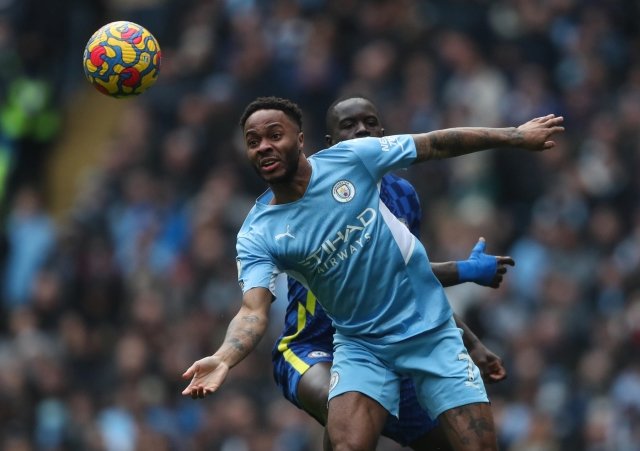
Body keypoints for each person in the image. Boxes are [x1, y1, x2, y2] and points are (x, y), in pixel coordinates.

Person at [182, 96, 564, 451]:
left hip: (430, 335)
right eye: (253, 142)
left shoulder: (362, 166)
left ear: (300, 140)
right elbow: (252, 311)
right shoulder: (258, 234)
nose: (263, 147)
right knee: (346, 432)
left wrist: (516, 136)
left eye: (274, 136)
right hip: (348, 343)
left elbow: (435, 147)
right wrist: (223, 358)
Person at [270, 95, 512, 450]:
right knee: (342, 408)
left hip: (386, 344)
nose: (361, 130)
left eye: (369, 122)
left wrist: (471, 343)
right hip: (315, 344)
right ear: (330, 144)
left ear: (383, 133)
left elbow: (410, 282)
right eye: (349, 125)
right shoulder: (317, 197)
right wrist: (465, 270)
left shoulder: (402, 195)